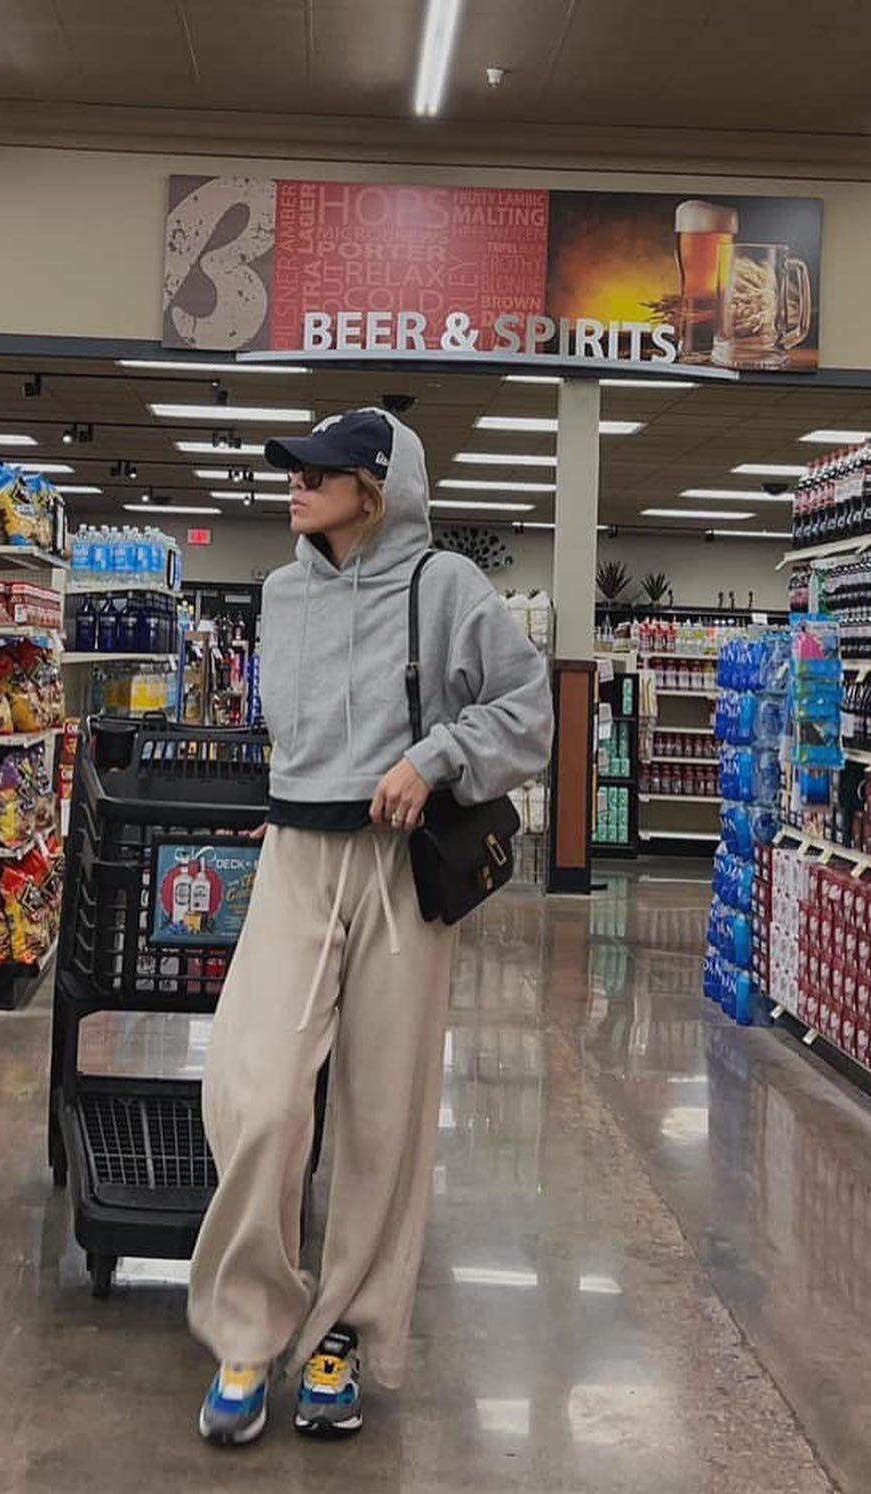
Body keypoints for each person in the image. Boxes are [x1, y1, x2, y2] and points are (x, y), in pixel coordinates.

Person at [188, 407, 553, 1445]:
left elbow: (529, 714)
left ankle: (343, 1329)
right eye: (295, 472)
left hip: (400, 869)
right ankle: (250, 1324)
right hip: (297, 858)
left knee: (383, 1113)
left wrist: (432, 757)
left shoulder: (447, 590)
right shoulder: (279, 592)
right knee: (254, 1092)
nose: (295, 487)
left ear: (375, 488)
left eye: (319, 472)